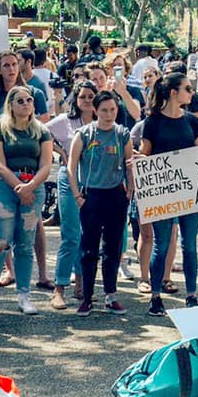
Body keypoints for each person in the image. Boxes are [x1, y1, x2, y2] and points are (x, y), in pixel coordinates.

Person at [0, 87, 52, 318]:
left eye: (29, 100)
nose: (26, 104)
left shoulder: (41, 130)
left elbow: (46, 164)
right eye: (20, 101)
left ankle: (24, 295)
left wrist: (29, 187)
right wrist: (18, 187)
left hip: (33, 186)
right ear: (11, 104)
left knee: (25, 244)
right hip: (4, 186)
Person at [141, 73, 198, 317]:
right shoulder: (153, 122)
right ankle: (156, 296)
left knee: (189, 246)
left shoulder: (193, 121)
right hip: (162, 192)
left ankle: (191, 295)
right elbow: (144, 155)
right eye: (187, 89)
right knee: (161, 244)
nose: (192, 93)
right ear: (172, 92)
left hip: (189, 192)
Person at [66, 91, 135, 315]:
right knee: (89, 248)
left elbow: (129, 163)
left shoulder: (122, 134)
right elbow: (71, 165)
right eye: (104, 110)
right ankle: (86, 297)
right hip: (92, 195)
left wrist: (130, 190)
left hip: (115, 195)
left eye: (112, 110)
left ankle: (111, 295)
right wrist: (77, 195)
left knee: (113, 248)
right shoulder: (84, 134)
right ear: (95, 110)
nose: (108, 114)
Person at [48, 81, 97, 309]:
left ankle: (82, 285)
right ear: (76, 100)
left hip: (94, 183)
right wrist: (60, 152)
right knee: (70, 235)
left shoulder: (102, 122)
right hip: (69, 181)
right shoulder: (66, 121)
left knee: (88, 236)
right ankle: (59, 288)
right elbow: (42, 132)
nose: (87, 100)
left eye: (90, 96)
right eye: (83, 97)